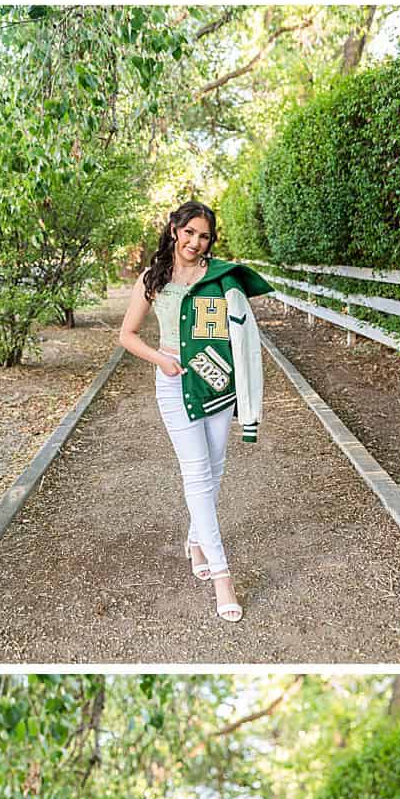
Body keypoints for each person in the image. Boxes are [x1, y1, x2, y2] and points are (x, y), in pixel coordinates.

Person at [117, 201, 272, 624]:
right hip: (174, 383)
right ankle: (223, 576)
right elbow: (127, 335)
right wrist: (159, 359)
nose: (195, 242)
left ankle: (195, 540)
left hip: (217, 383)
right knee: (197, 473)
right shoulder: (153, 279)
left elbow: (239, 332)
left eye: (203, 236)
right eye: (189, 233)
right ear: (174, 230)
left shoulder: (222, 279)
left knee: (215, 469)